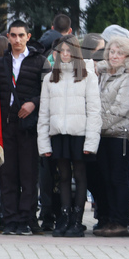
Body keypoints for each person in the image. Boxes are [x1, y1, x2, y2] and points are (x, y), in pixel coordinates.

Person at [37, 35, 100, 237]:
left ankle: (77, 219)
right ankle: (63, 217)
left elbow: (94, 111)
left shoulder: (88, 77)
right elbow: (44, 113)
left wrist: (91, 140)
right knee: (62, 177)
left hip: (79, 133)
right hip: (58, 134)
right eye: (62, 51)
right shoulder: (49, 79)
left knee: (80, 176)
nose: (65, 55)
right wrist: (44, 144)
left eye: (69, 51)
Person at [0, 21, 49, 235]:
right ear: (8, 37)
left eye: (21, 35)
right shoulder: (0, 63)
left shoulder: (40, 61)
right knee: (7, 175)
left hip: (28, 126)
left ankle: (26, 218)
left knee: (28, 175)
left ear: (28, 36)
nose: (17, 40)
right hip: (5, 124)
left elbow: (48, 89)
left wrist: (34, 102)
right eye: (13, 36)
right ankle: (10, 219)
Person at [95, 37, 129, 237]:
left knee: (119, 179)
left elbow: (120, 109)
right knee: (104, 179)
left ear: (128, 56)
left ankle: (121, 221)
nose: (114, 56)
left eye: (119, 52)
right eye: (111, 51)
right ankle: (109, 219)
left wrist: (96, 125)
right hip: (102, 134)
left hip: (120, 134)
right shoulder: (103, 74)